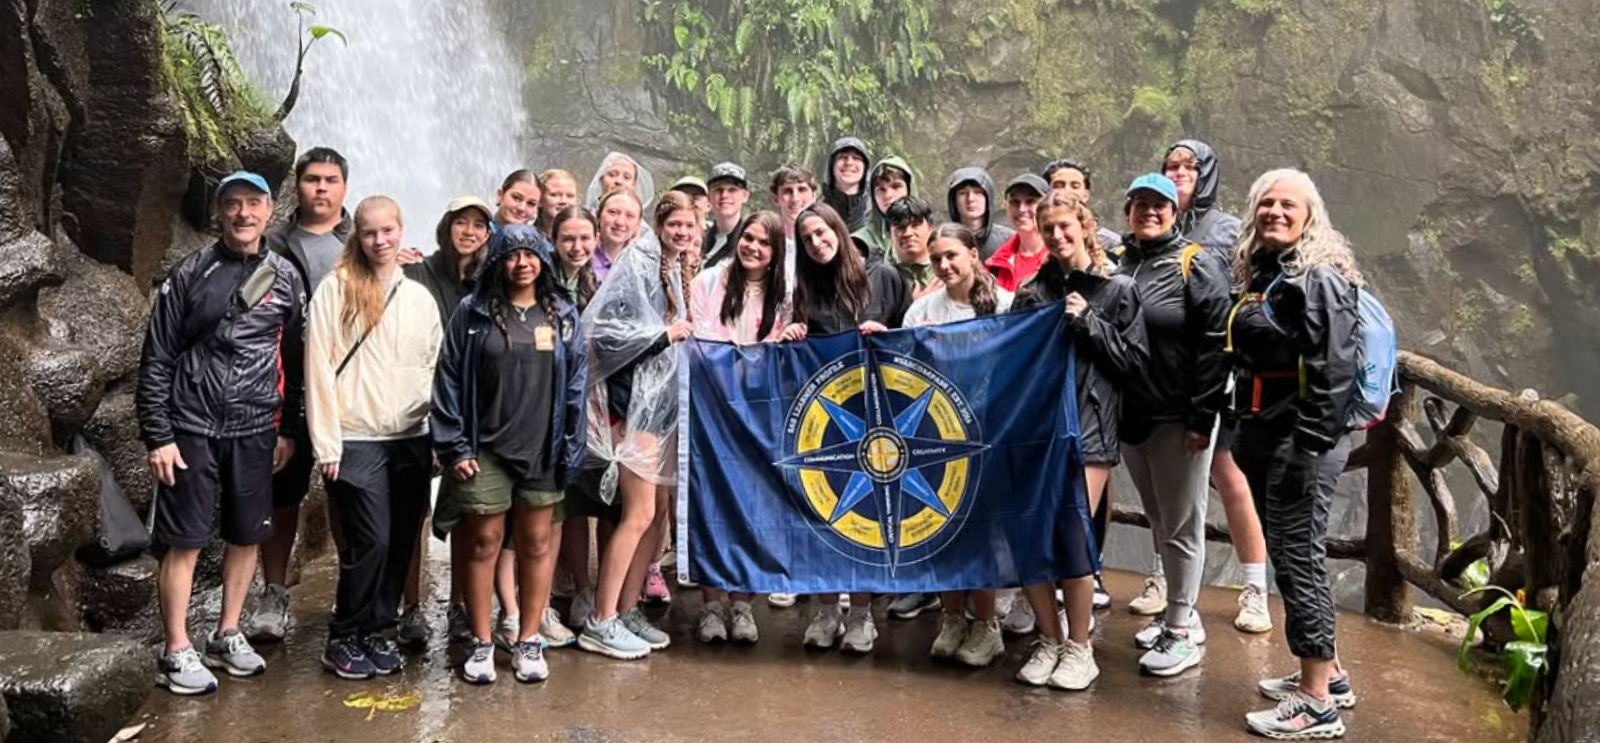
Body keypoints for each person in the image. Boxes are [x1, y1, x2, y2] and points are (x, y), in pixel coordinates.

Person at [138, 171, 305, 695]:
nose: (243, 213)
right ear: (219, 211)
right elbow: (157, 357)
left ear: (270, 211)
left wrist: (288, 428)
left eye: (253, 203)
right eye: (232, 203)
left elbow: (295, 358)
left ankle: (228, 632)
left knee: (247, 533)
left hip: (256, 426)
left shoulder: (286, 277)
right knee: (183, 541)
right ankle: (176, 647)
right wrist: (158, 435)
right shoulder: (191, 272)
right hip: (191, 424)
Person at [1228, 169, 1361, 739]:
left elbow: (1336, 369)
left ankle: (1315, 704)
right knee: (1290, 555)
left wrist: (1308, 445)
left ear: (1310, 216)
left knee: (1298, 559)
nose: (1275, 212)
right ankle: (1329, 675)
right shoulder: (1267, 272)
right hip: (1269, 432)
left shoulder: (1319, 277)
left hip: (1298, 439)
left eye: (1288, 204)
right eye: (1267, 203)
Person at [432, 225, 588, 685]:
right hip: (484, 449)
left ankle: (528, 638)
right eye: (512, 255)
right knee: (484, 541)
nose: (522, 263)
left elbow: (576, 383)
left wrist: (571, 444)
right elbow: (448, 378)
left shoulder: (562, 314)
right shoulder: (472, 311)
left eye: (530, 254)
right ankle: (482, 642)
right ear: (498, 260)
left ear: (543, 259)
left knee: (537, 543)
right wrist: (455, 445)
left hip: (542, 446)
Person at [1135, 140, 1272, 636]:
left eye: (1189, 167)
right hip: (1162, 382)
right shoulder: (1147, 236)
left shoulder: (1225, 229)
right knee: (1164, 493)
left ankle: (1254, 586)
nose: (1178, 173)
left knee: (1227, 474)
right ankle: (1164, 580)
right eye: (1170, 166)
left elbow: (1241, 295)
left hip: (1214, 375)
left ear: (1207, 174)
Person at [1012, 191, 1146, 691]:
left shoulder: (1119, 289)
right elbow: (1011, 363)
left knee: (1071, 534)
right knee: (1029, 536)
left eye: (1064, 226)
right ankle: (1049, 638)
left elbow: (1135, 363)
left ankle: (1079, 645)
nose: (1056, 236)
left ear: (1085, 225)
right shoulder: (1032, 292)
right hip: (1037, 431)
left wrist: (1090, 322)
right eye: (1048, 229)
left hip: (1090, 429)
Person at [305, 196, 442, 680]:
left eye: (388, 231)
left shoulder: (419, 297)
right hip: (356, 436)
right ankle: (343, 634)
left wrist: (438, 437)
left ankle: (374, 630)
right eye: (370, 233)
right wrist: (327, 443)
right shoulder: (336, 290)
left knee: (401, 540)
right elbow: (318, 367)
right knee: (371, 541)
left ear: (401, 231)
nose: (380, 241)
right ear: (357, 237)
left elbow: (432, 367)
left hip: (410, 436)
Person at [1113, 174, 1231, 677]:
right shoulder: (1120, 262)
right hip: (1133, 414)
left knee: (1182, 523)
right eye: (1140, 203)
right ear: (1127, 211)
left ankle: (1180, 631)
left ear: (1175, 211)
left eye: (1159, 204)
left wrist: (1202, 417)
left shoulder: (1195, 263)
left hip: (1178, 416)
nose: (1149, 211)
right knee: (1160, 518)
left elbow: (1215, 344)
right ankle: (1180, 614)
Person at [778, 202, 910, 652]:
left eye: (822, 232)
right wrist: (792, 337)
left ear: (838, 228)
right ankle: (827, 610)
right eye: (807, 239)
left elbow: (915, 340)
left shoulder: (884, 276)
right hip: (824, 424)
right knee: (824, 512)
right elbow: (796, 357)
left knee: (866, 517)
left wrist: (887, 335)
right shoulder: (804, 290)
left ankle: (861, 615)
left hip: (879, 418)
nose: (817, 243)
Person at [577, 191, 698, 660]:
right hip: (633, 410)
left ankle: (627, 609)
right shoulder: (638, 262)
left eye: (689, 226)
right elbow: (605, 334)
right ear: (659, 224)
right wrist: (663, 335)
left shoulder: (674, 266)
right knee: (638, 514)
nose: (681, 232)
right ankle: (601, 618)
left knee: (655, 515)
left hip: (661, 409)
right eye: (674, 225)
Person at [247, 147, 349, 644]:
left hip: (346, 390)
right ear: (298, 185)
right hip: (286, 385)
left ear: (344, 187)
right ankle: (273, 590)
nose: (321, 188)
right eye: (312, 179)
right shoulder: (273, 245)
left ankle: (353, 587)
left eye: (330, 179)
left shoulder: (363, 242)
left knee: (347, 491)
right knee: (282, 489)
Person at [901, 224, 1014, 668]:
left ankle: (986, 625)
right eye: (936, 259)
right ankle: (951, 618)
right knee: (941, 527)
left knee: (981, 530)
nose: (944, 265)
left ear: (973, 254)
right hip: (935, 434)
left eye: (952, 255)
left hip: (987, 433)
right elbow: (903, 373)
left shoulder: (1004, 304)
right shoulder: (922, 310)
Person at [688, 210, 791, 644]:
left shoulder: (784, 294)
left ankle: (744, 603)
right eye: (748, 237)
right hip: (711, 410)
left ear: (776, 252)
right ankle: (712, 605)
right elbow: (701, 344)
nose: (753, 247)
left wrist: (781, 342)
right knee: (711, 504)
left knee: (753, 507)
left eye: (765, 243)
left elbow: (783, 350)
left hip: (759, 415)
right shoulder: (707, 282)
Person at [399, 195, 494, 646]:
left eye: (478, 225)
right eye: (461, 222)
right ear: (446, 226)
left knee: (467, 512)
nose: (469, 232)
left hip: (469, 411)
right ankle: (410, 607)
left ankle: (460, 605)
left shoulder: (489, 281)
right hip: (419, 407)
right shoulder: (416, 272)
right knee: (412, 512)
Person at [1042, 158, 1122, 259]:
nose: (1067, 191)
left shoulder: (1111, 243)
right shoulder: (1035, 239)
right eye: (1059, 186)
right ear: (1046, 193)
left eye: (1075, 186)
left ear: (1085, 195)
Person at [986, 174, 1050, 292]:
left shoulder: (1061, 257)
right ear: (1006, 206)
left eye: (1030, 201)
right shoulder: (995, 265)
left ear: (1048, 206)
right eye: (1015, 202)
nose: (1021, 209)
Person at [851, 156, 917, 265]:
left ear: (909, 190)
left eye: (896, 186)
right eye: (881, 189)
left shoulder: (928, 239)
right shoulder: (859, 243)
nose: (888, 195)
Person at [944, 166, 1015, 261]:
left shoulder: (1009, 240)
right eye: (963, 193)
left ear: (988, 198)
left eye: (978, 192)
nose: (970, 199)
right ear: (954, 201)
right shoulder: (943, 241)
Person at [886, 197, 942, 301]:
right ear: (889, 234)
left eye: (915, 225)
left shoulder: (947, 265)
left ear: (931, 228)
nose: (908, 233)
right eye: (901, 227)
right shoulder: (879, 274)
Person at [702, 162, 751, 268]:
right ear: (709, 197)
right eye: (718, 190)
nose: (724, 195)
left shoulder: (750, 241)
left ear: (745, 196)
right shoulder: (698, 239)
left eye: (732, 190)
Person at [822, 137, 872, 231]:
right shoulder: (818, 212)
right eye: (842, 157)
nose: (849, 162)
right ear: (831, 166)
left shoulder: (876, 212)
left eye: (856, 158)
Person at [593, 189, 644, 283]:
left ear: (638, 223)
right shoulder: (582, 257)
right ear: (598, 216)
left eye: (630, 216)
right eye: (613, 212)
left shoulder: (643, 265)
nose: (620, 222)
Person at [584, 151, 656, 212]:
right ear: (601, 179)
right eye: (612, 175)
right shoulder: (586, 219)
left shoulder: (640, 224)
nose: (619, 181)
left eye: (626, 177)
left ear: (634, 184)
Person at [535, 169, 581, 234]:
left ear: (578, 201)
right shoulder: (526, 236)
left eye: (570, 196)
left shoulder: (586, 235)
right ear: (540, 200)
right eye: (554, 195)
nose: (563, 201)